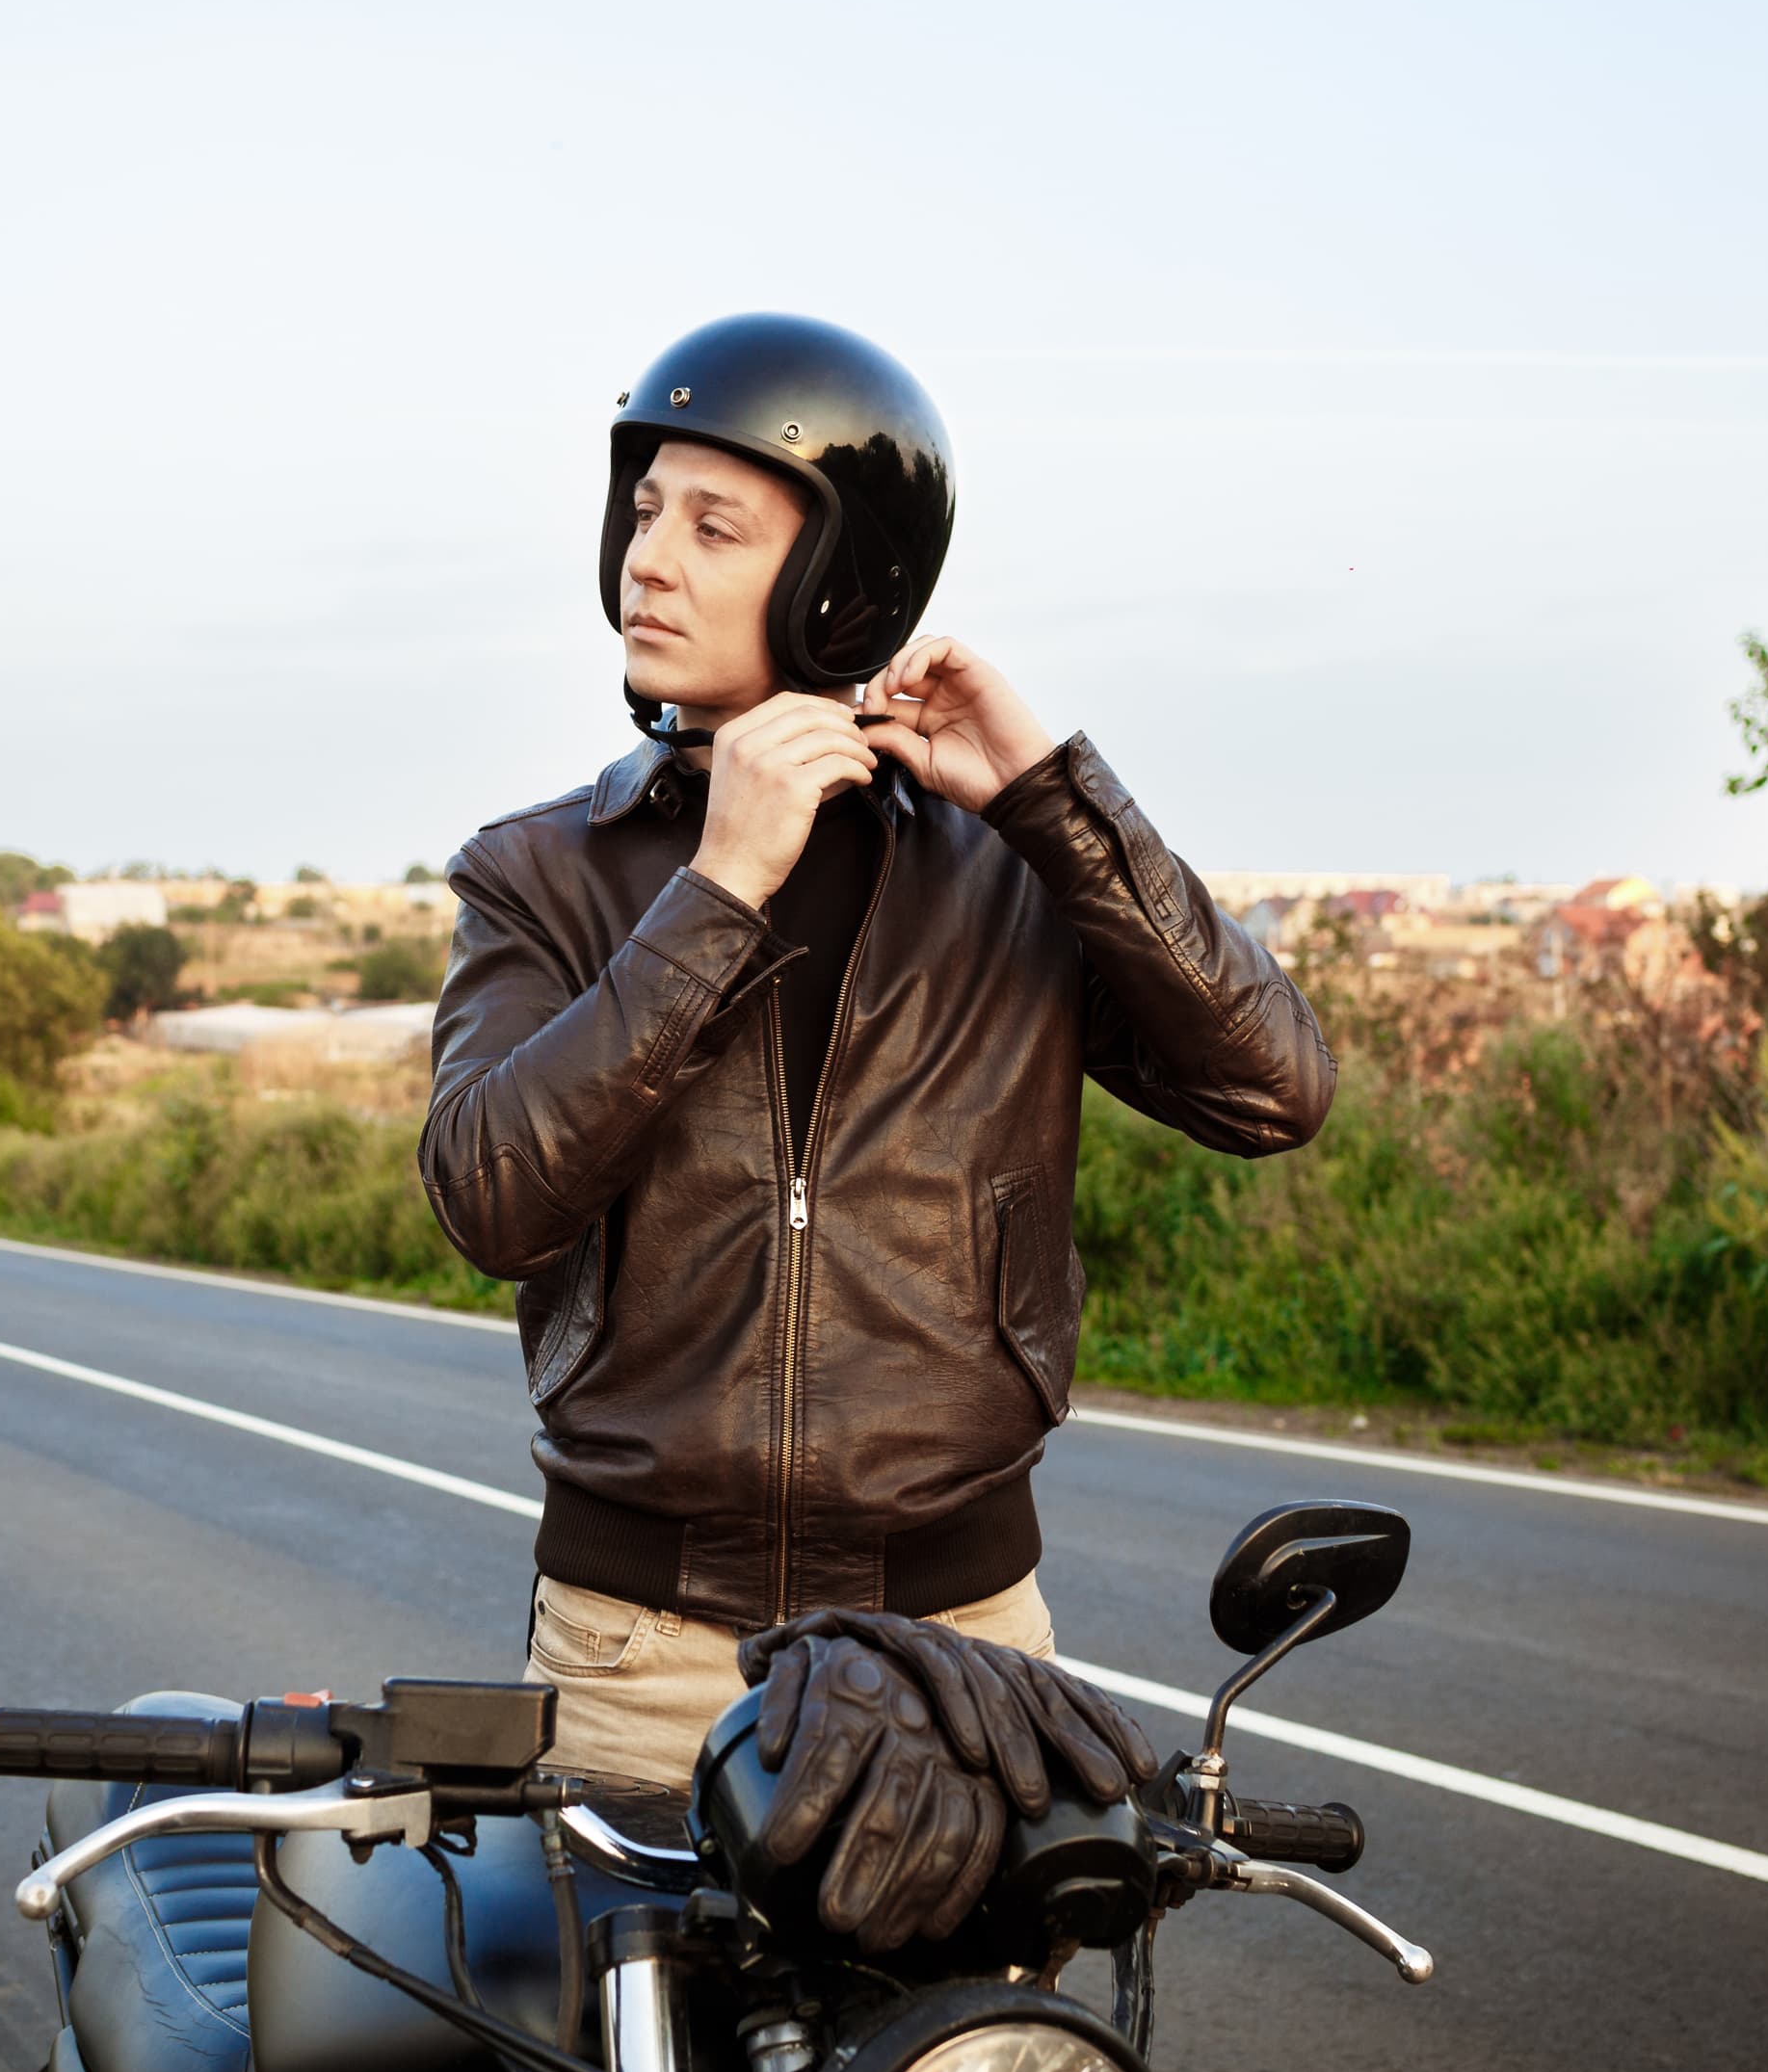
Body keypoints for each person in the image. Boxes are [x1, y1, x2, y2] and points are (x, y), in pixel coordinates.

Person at [422, 313, 1333, 1787]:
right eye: (644, 510)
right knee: (609, 2029)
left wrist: (1051, 797)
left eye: (714, 525)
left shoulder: (1007, 868)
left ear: (847, 579)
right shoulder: (543, 872)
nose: (649, 558)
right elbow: (490, 1201)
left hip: (960, 1643)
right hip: (639, 1659)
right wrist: (712, 896)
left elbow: (1272, 1088)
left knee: (982, 2034)